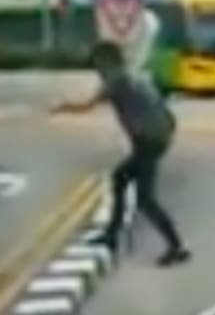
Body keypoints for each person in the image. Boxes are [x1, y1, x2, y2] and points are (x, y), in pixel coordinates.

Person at [52, 40, 190, 267]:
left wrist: (62, 107)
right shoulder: (132, 77)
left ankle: (177, 246)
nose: (96, 68)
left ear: (108, 61)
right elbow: (165, 113)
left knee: (145, 199)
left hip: (148, 142)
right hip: (154, 138)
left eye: (98, 63)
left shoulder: (117, 80)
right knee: (120, 178)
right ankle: (112, 235)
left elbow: (87, 107)